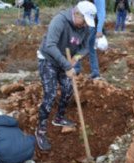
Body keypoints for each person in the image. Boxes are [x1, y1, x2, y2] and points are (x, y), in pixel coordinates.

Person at [35, 1, 97, 151]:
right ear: (76, 13)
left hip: (65, 61)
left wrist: (76, 58)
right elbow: (50, 45)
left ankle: (59, 118)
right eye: (83, 20)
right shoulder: (60, 21)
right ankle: (40, 130)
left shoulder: (86, 27)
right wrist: (68, 66)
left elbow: (84, 48)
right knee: (50, 94)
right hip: (48, 59)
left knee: (68, 89)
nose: (85, 25)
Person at [74, 0, 106, 80]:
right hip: (86, 23)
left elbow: (101, 12)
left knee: (80, 47)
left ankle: (76, 69)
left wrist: (99, 29)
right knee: (91, 49)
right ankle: (95, 73)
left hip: (89, 24)